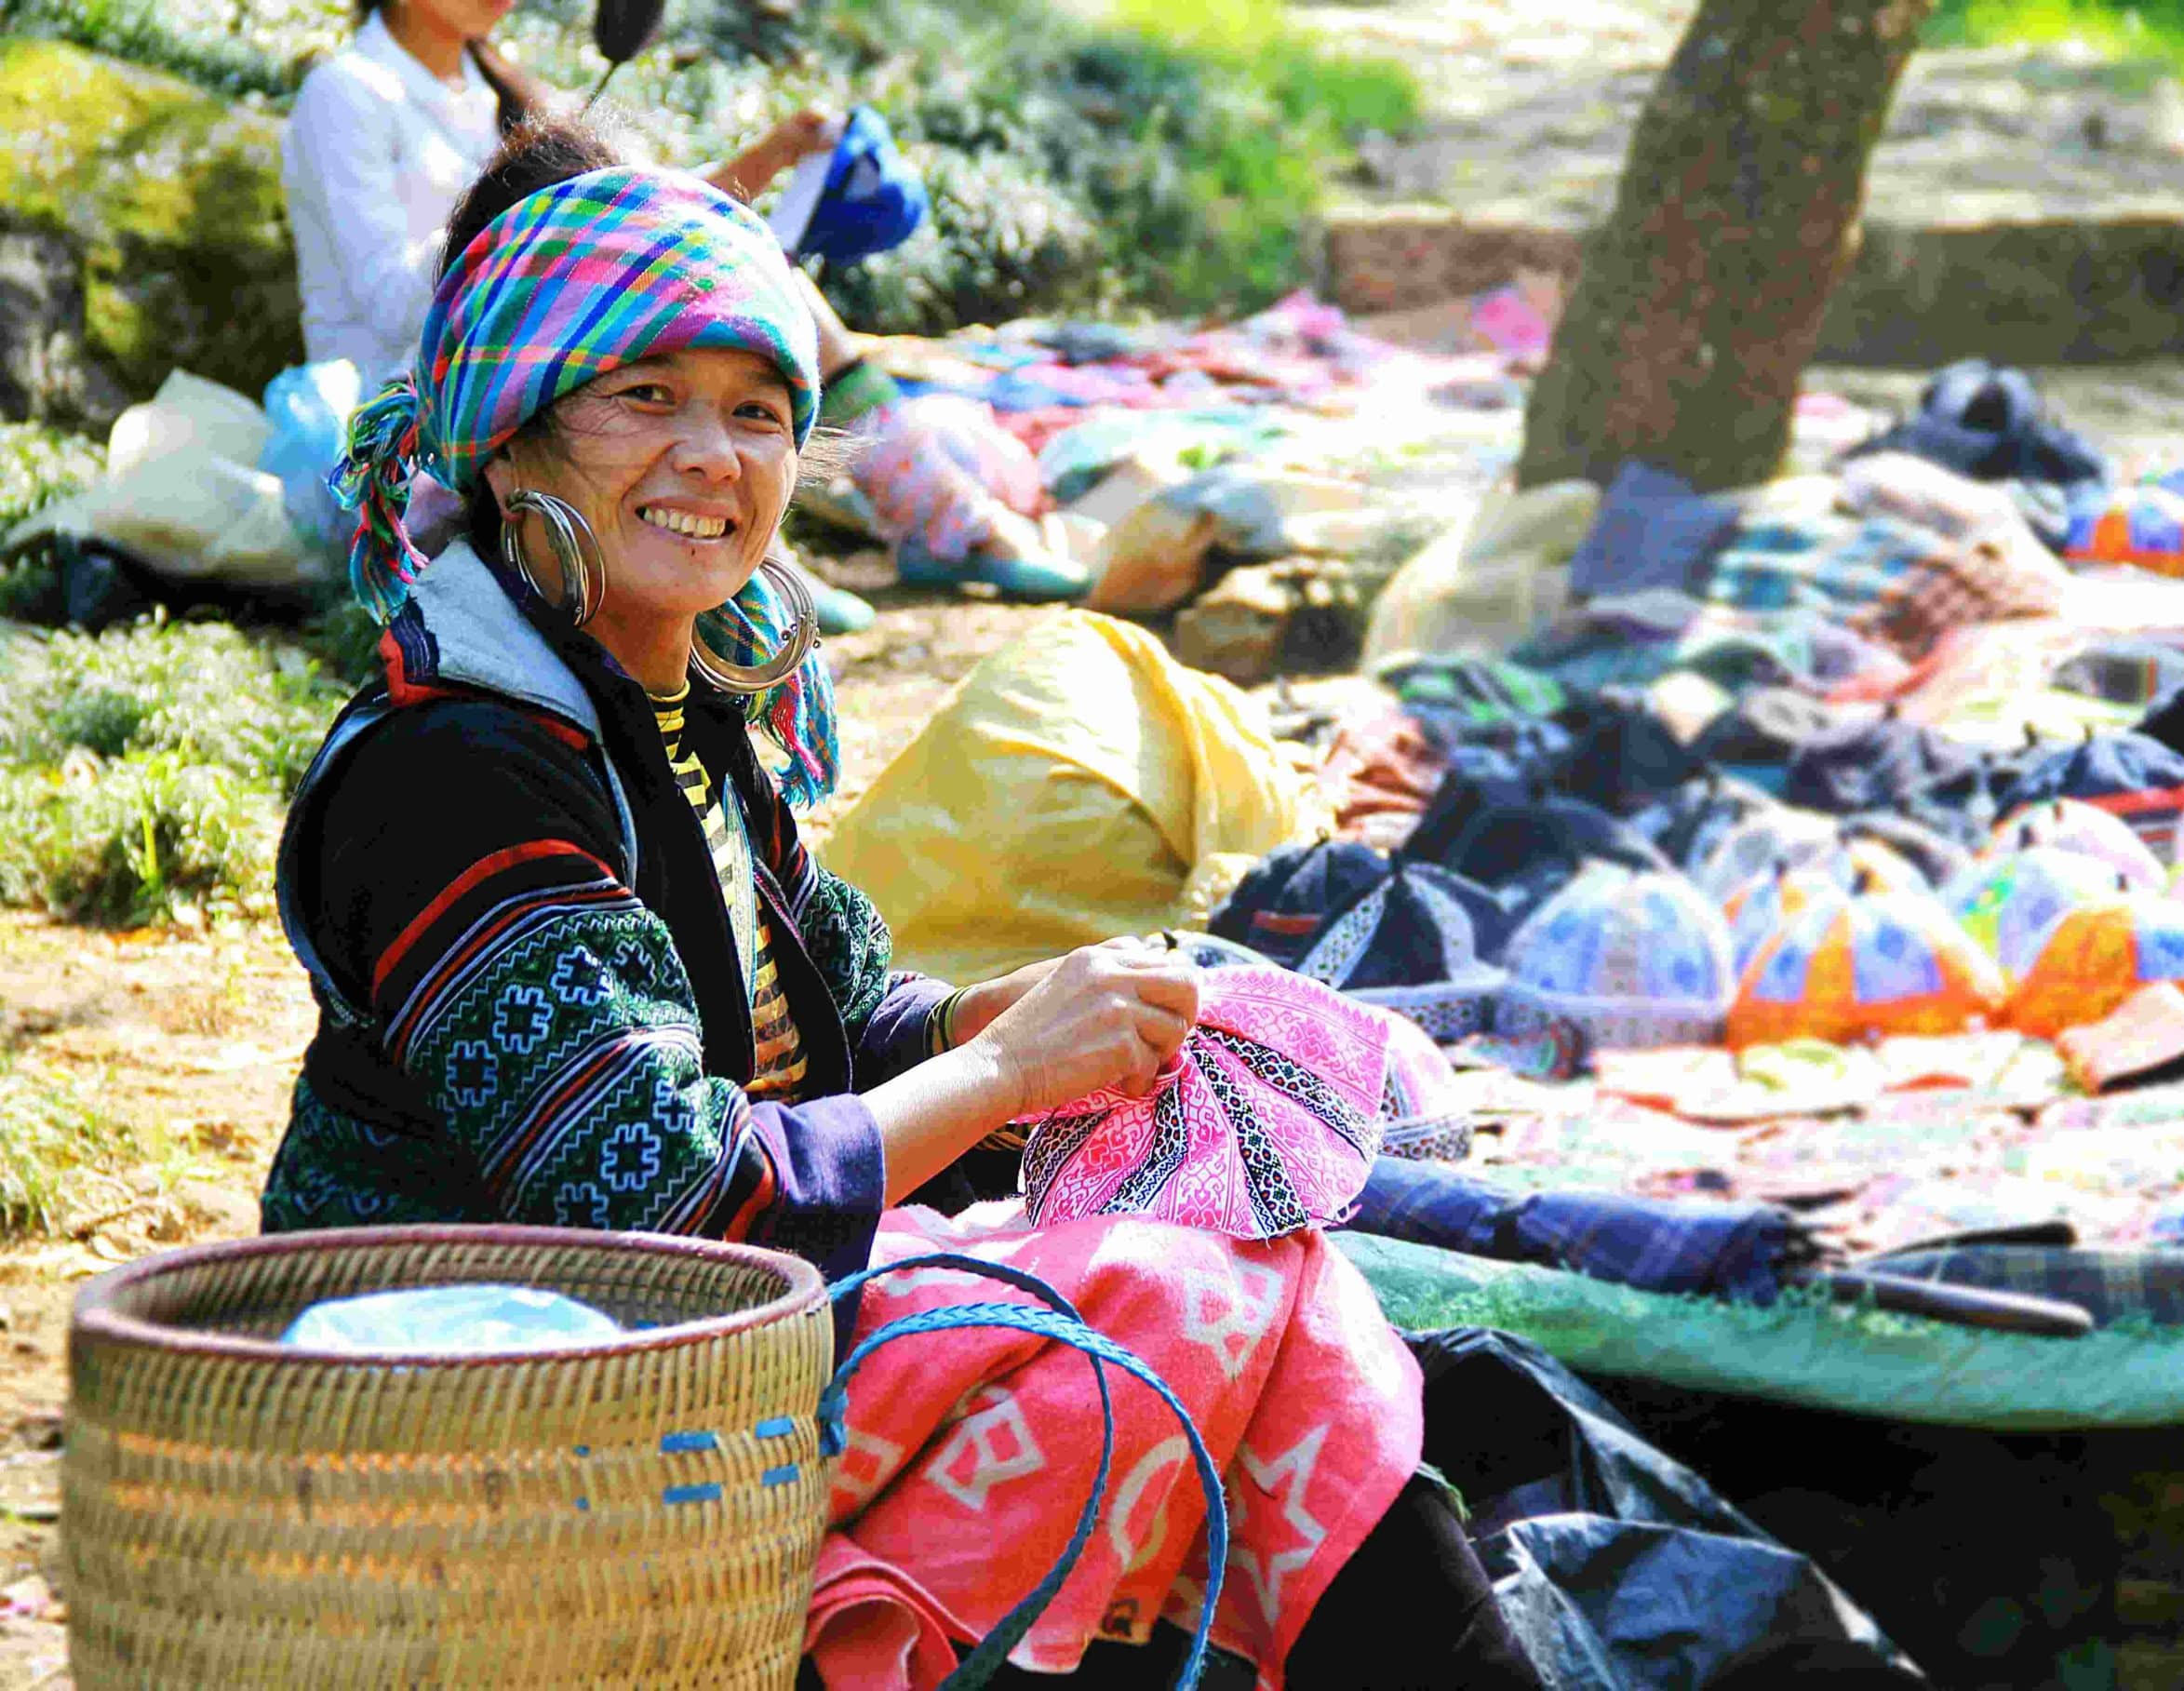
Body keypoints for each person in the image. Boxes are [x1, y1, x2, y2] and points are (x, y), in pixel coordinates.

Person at [261, 114, 1540, 1690]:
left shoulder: (685, 705)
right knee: (1194, 1296)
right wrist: (1004, 1077)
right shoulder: (459, 769)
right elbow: (655, 1198)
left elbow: (840, 1023)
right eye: (642, 399)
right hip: (501, 1400)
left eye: (754, 412)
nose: (712, 459)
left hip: (696, 1344)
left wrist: (978, 1024)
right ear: (513, 434)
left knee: (1253, 1269)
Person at [281, 0, 1084, 608]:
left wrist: (772, 155)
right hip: (416, 377)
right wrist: (527, 227)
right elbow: (389, 299)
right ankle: (769, 569)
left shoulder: (503, 87)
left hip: (551, 347)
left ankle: (937, 516)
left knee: (764, 284)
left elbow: (649, 223)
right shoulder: (348, 92)